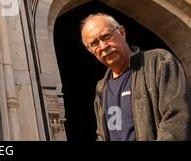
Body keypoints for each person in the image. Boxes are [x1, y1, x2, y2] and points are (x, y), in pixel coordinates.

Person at [80, 13, 191, 141]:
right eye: (94, 43)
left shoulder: (158, 62)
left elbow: (177, 117)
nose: (103, 46)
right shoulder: (102, 88)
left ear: (121, 32)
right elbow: (103, 134)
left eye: (106, 36)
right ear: (90, 50)